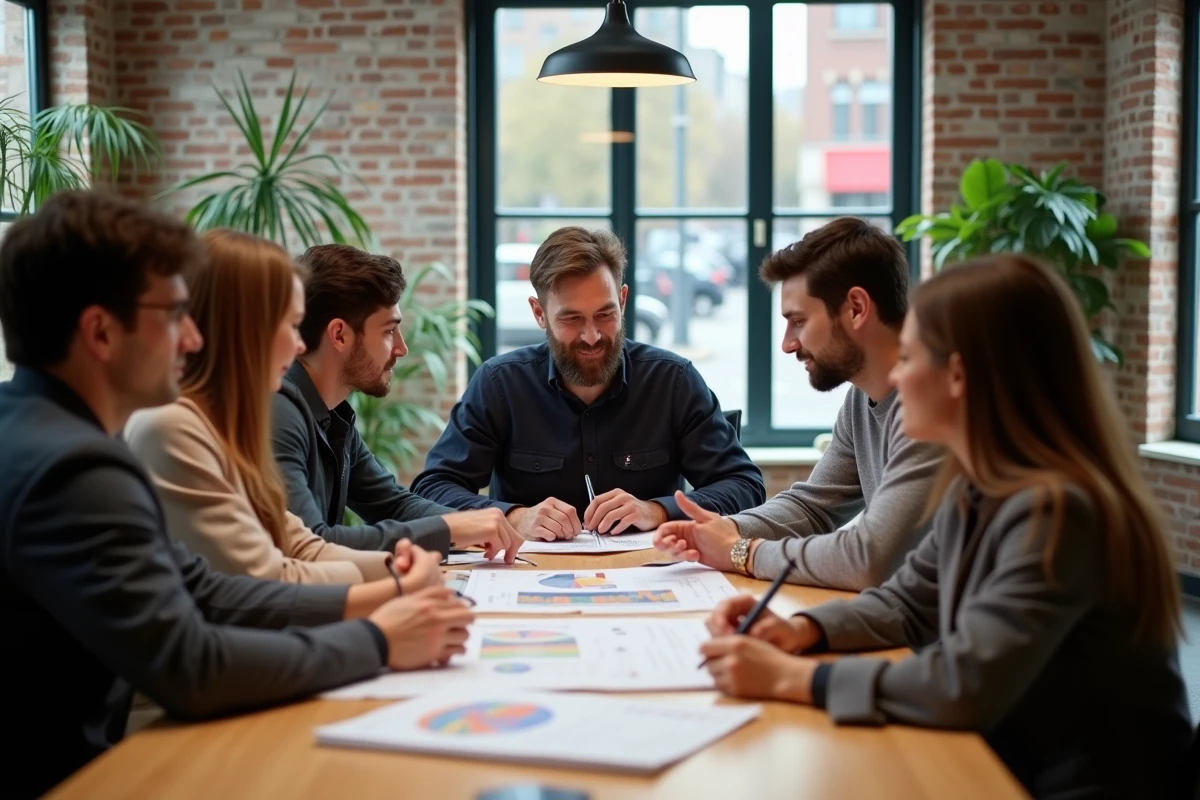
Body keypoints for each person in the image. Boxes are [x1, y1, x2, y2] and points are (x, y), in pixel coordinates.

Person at [0, 191, 473, 799]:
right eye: (173, 314)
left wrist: (388, 594)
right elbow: (190, 664)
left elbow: (202, 587)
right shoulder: (76, 464)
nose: (192, 338)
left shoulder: (58, 434)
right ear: (100, 332)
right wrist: (380, 638)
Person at [698, 255, 1192, 799]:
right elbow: (907, 603)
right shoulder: (978, 488)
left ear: (957, 375)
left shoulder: (1057, 512)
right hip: (1012, 759)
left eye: (909, 357)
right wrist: (801, 631)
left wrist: (793, 679)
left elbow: (963, 684)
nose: (897, 375)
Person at [410, 226, 765, 541]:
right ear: (539, 313)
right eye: (571, 319)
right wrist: (515, 517)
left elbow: (746, 486)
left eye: (605, 314)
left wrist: (656, 511)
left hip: (650, 578)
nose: (592, 336)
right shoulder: (500, 384)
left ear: (623, 301)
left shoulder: (673, 381)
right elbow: (431, 490)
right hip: (528, 580)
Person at [654, 218, 944, 590]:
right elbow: (814, 507)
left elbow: (868, 559)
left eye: (799, 321)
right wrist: (724, 529)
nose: (788, 344)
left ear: (856, 308)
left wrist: (742, 552)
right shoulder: (862, 397)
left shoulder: (934, 404)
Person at [126, 231, 415, 584]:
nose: (298, 345)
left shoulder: (230, 423)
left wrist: (398, 570)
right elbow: (264, 578)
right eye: (291, 325)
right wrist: (394, 588)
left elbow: (300, 544)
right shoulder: (173, 429)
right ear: (244, 328)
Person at [271, 244, 520, 565]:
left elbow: (394, 504)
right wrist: (449, 528)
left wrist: (492, 521)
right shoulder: (279, 411)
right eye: (389, 331)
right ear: (340, 335)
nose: (402, 348)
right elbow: (314, 544)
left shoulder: (331, 414)